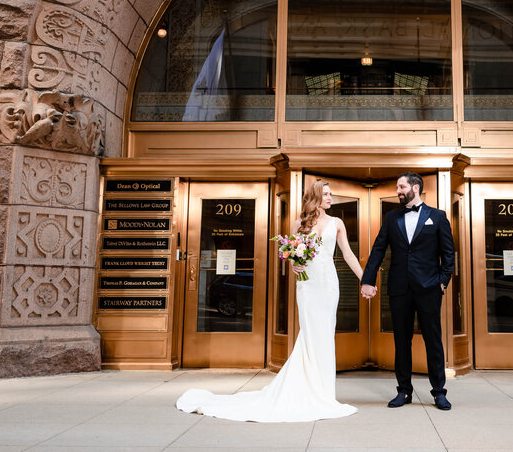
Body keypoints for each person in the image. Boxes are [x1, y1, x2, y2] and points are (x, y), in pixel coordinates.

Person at [176, 180, 363, 422]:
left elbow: (347, 253)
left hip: (327, 285)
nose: (330, 198)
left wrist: (363, 279)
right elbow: (288, 251)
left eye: (330, 194)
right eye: (326, 194)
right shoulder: (300, 223)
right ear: (315, 196)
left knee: (325, 333)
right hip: (306, 285)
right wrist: (294, 262)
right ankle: (310, 387)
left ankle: (324, 392)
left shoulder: (337, 223)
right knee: (309, 333)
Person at [360, 172, 455, 411]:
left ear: (416, 187)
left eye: (401, 187)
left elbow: (449, 253)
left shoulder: (438, 216)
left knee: (433, 340)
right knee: (402, 341)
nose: (398, 191)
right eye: (397, 187)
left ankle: (439, 392)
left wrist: (443, 280)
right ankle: (403, 391)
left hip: (429, 288)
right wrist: (367, 280)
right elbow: (378, 249)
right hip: (399, 288)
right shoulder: (392, 218)